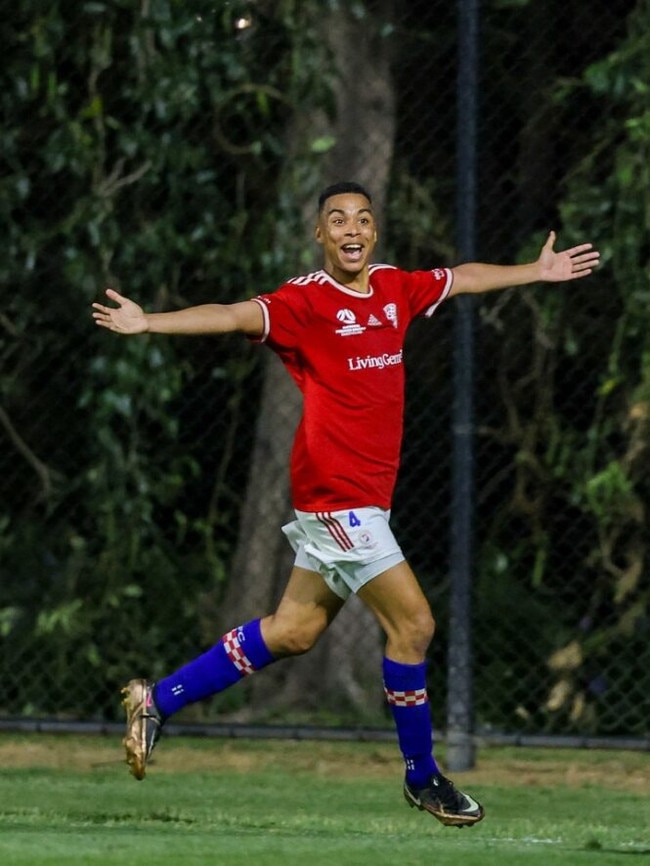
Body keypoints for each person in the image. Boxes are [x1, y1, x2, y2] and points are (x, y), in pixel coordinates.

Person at [92, 180, 600, 828]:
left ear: (375, 232)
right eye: (337, 220)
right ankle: (423, 777)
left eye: (362, 218)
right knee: (413, 626)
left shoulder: (393, 289)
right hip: (338, 499)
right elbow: (230, 313)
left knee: (294, 632)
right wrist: (148, 322)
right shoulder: (305, 302)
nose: (351, 229)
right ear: (321, 235)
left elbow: (462, 278)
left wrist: (534, 269)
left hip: (360, 505)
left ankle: (156, 700)